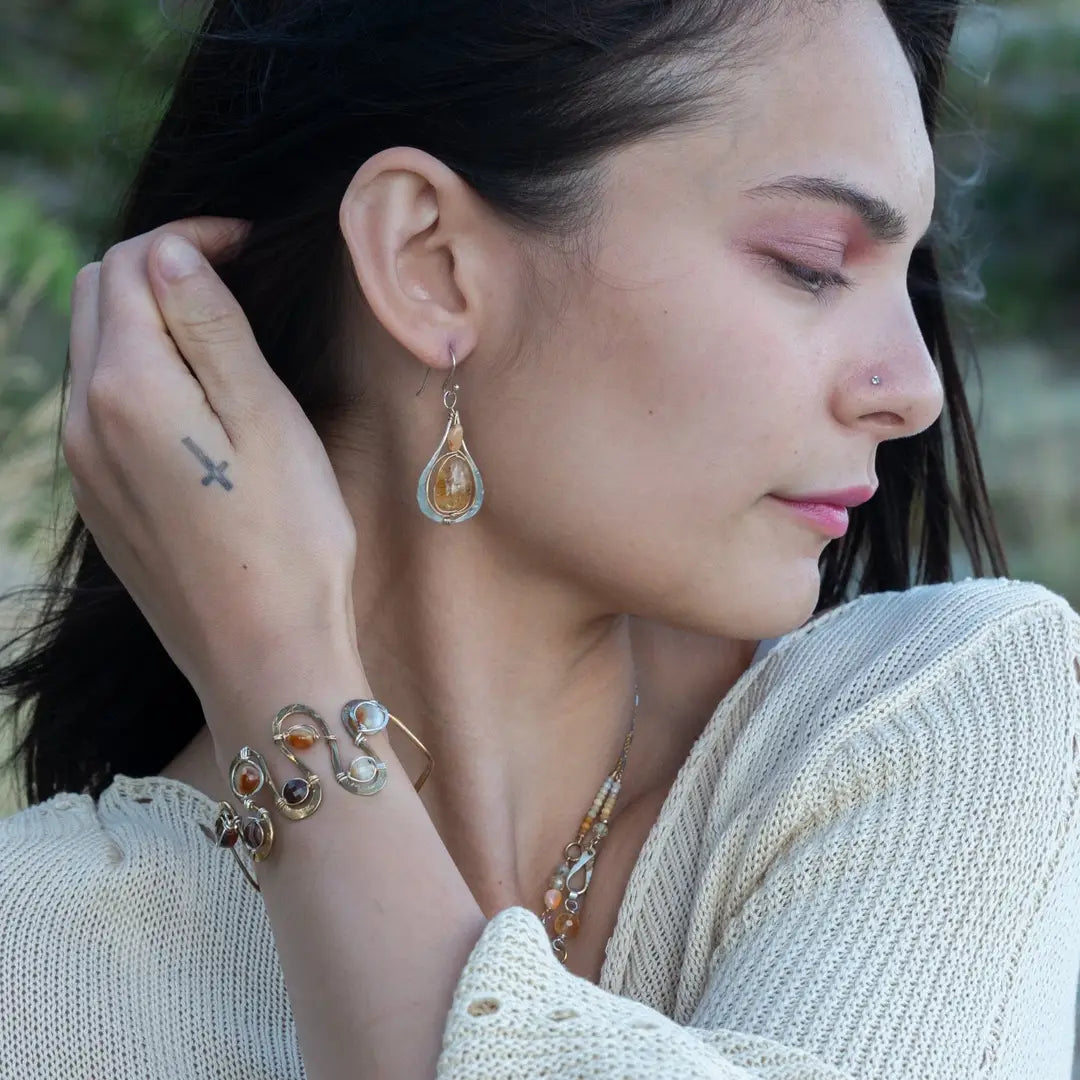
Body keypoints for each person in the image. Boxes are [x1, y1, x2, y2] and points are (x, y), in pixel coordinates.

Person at [1, 0, 1078, 1077]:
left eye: (910, 279)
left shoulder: (931, 718)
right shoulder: (36, 965)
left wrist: (284, 682)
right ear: (432, 265)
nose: (919, 391)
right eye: (811, 262)